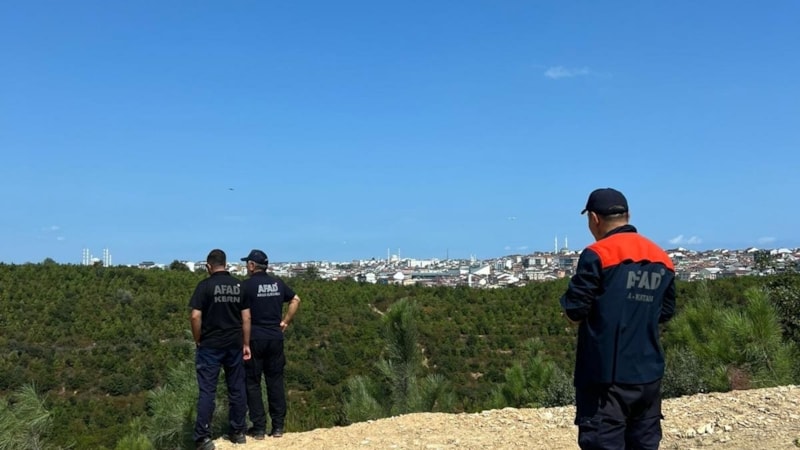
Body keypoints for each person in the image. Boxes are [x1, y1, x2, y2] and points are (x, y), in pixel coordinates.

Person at [560, 188, 676, 450]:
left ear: (594, 218)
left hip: (605, 379)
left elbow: (574, 311)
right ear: (628, 215)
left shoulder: (597, 254)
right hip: (648, 376)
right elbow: (666, 312)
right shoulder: (662, 258)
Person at [189, 249, 252, 450]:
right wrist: (246, 343)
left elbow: (195, 316)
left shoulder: (204, 286)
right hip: (234, 344)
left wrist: (198, 339)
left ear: (208, 266)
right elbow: (246, 318)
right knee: (236, 388)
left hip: (210, 345)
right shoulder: (238, 286)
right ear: (226, 264)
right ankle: (238, 432)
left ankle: (203, 437)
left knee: (208, 391)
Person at [240, 249, 301, 439]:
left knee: (252, 383)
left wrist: (243, 340)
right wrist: (286, 321)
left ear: (252, 265)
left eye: (247, 264)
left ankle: (259, 428)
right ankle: (278, 427)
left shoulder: (246, 286)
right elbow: (296, 299)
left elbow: (243, 315)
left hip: (255, 338)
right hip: (275, 338)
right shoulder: (278, 283)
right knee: (275, 381)